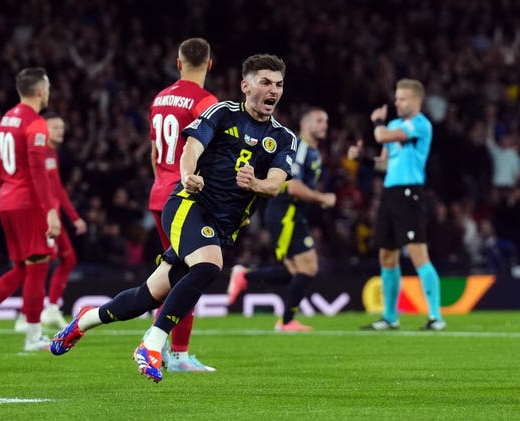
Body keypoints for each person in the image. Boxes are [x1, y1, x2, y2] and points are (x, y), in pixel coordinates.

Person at [51, 54, 297, 383]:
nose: (274, 91)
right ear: (246, 85)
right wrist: (187, 174)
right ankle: (152, 344)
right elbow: (192, 147)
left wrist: (257, 184)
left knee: (145, 297)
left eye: (278, 84)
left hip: (223, 227)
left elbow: (277, 182)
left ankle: (84, 320)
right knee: (210, 265)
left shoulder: (283, 138)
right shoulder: (222, 113)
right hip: (188, 205)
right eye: (266, 82)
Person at [0, 67, 62, 351]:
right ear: (41, 91)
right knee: (39, 265)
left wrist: (6, 189)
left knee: (21, 268)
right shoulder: (36, 124)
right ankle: (33, 337)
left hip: (7, 200)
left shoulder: (6, 119)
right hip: (28, 202)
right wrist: (50, 211)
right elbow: (37, 171)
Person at [228, 107, 336, 331]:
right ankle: (286, 321)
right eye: (319, 120)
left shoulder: (313, 151)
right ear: (305, 125)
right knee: (308, 266)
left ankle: (246, 276)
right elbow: (294, 186)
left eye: (326, 120)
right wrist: (321, 197)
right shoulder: (301, 147)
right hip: (286, 211)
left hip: (290, 213)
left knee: (294, 271)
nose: (324, 124)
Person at [147, 37, 218, 372]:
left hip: (160, 194)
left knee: (173, 275)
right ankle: (177, 354)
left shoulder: (160, 98)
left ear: (178, 63)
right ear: (209, 64)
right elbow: (206, 153)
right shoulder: (205, 101)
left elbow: (152, 153)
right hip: (186, 195)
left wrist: (163, 180)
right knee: (189, 275)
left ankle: (168, 348)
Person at [360, 78, 446, 331]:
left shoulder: (420, 125)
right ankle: (390, 317)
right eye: (396, 98)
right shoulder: (396, 124)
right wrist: (364, 160)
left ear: (417, 101)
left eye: (402, 98)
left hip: (410, 192)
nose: (397, 102)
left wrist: (377, 122)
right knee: (386, 254)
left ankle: (435, 317)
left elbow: (381, 135)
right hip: (389, 193)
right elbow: (384, 163)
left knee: (419, 254)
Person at [14, 112, 87, 332]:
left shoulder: (51, 153)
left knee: (68, 259)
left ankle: (51, 308)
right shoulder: (39, 152)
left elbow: (57, 189)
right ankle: (26, 316)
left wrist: (73, 217)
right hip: (43, 217)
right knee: (39, 265)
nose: (60, 131)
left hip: (52, 216)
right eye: (55, 127)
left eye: (62, 128)